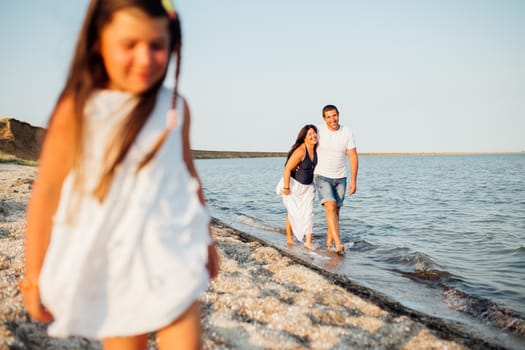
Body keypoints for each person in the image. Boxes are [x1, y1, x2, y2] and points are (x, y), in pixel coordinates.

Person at [19, 1, 219, 349]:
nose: (145, 59)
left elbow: (188, 176)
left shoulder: (175, 107)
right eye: (129, 45)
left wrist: (208, 240)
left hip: (172, 251)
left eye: (157, 46)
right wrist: (34, 276)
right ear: (99, 42)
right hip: (113, 263)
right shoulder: (79, 108)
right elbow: (47, 190)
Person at [314, 104, 359, 255]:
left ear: (338, 115)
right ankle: (338, 244)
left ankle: (329, 242)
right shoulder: (318, 131)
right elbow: (306, 147)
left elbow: (353, 156)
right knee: (330, 206)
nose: (332, 119)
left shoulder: (347, 132)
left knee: (335, 211)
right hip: (321, 176)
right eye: (329, 117)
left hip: (341, 177)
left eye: (334, 115)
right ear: (324, 118)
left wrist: (354, 180)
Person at [277, 124, 318, 250]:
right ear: (304, 138)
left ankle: (308, 242)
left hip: (308, 187)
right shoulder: (301, 151)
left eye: (314, 133)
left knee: (309, 213)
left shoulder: (317, 149)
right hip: (293, 186)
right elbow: (287, 168)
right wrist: (286, 187)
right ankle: (289, 238)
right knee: (293, 212)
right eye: (309, 134)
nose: (313, 136)